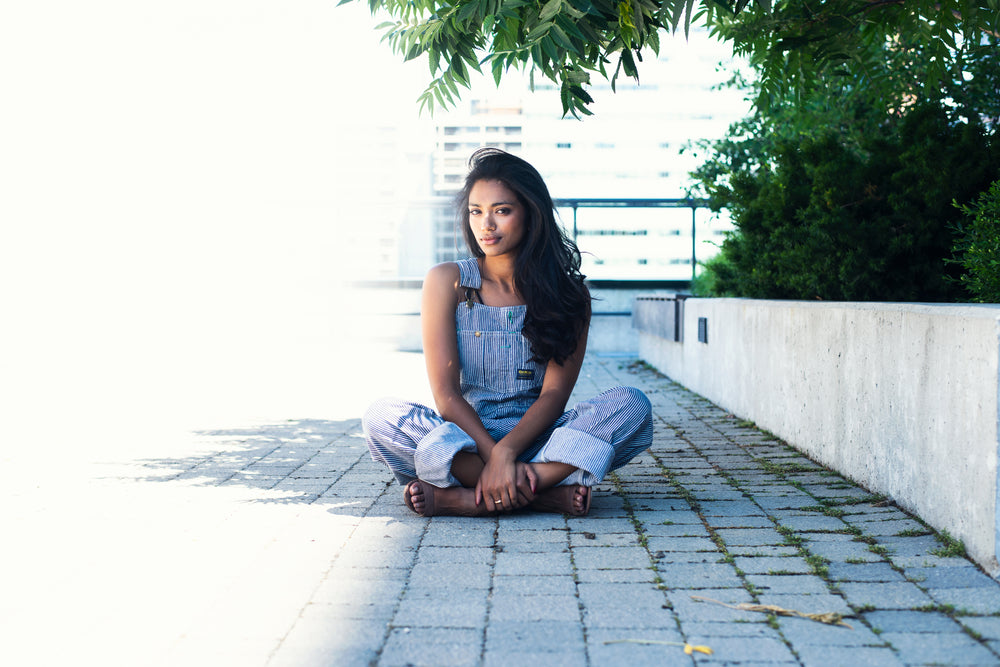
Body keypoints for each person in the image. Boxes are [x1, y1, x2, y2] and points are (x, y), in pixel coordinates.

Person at [363, 148, 652, 517]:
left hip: (539, 439)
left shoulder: (568, 294)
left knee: (632, 404)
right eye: (476, 211)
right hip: (466, 439)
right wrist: (491, 451)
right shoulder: (447, 280)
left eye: (501, 210)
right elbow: (447, 394)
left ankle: (466, 498)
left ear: (531, 213)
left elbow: (554, 395)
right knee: (380, 416)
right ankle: (542, 493)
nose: (486, 225)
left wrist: (508, 452)